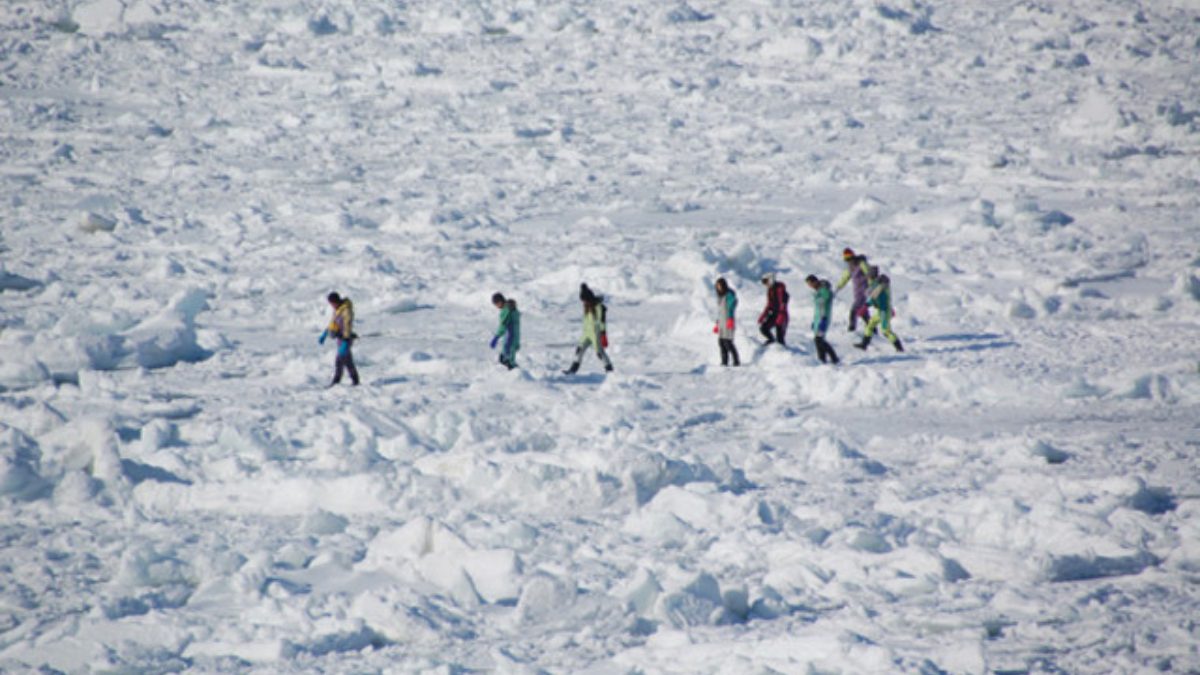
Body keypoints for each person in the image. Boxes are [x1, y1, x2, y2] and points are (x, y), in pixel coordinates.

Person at [564, 283, 614, 374]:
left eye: (585, 300)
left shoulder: (599, 307)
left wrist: (603, 334)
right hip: (586, 333)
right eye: (583, 301)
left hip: (596, 333)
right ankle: (572, 370)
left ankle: (609, 370)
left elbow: (602, 322)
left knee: (600, 353)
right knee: (579, 350)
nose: (584, 303)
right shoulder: (586, 307)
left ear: (589, 299)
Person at [855, 266, 904, 352]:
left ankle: (899, 348)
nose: (868, 278)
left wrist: (865, 306)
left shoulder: (879, 285)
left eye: (869, 276)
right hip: (879, 310)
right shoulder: (877, 283)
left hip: (884, 311)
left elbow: (874, 296)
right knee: (870, 325)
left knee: (886, 331)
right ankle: (864, 345)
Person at [319, 292, 359, 386]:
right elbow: (333, 323)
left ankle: (345, 381)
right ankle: (349, 381)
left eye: (332, 303)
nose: (331, 305)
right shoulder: (338, 310)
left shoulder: (346, 311)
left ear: (335, 301)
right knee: (343, 361)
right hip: (340, 339)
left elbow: (347, 325)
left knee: (343, 360)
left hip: (345, 339)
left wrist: (346, 339)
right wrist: (326, 332)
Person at [805, 275, 840, 365]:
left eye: (810, 283)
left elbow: (825, 301)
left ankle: (832, 358)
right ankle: (823, 358)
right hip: (818, 319)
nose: (810, 286)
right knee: (818, 339)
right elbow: (818, 307)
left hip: (823, 318)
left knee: (819, 339)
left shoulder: (824, 291)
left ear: (815, 281)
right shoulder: (818, 292)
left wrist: (822, 319)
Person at [835, 248, 872, 331]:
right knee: (863, 312)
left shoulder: (861, 264)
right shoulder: (850, 267)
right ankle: (872, 330)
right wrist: (838, 287)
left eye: (850, 259)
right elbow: (844, 278)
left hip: (864, 291)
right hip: (857, 292)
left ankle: (852, 329)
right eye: (847, 260)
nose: (849, 261)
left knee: (854, 310)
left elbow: (869, 274)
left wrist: (871, 286)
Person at [713, 277, 740, 367]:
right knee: (721, 342)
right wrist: (717, 323)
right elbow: (720, 311)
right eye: (717, 286)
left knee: (728, 342)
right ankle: (724, 362)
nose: (718, 288)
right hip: (722, 322)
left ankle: (736, 361)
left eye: (719, 286)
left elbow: (731, 307)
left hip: (728, 321)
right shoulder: (720, 296)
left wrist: (730, 319)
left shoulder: (729, 295)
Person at [489, 292, 521, 369]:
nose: (496, 306)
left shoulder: (506, 310)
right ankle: (518, 375)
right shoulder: (513, 309)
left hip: (509, 338)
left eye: (496, 304)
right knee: (510, 360)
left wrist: (496, 337)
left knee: (505, 360)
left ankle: (516, 377)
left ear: (500, 301)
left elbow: (503, 325)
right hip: (515, 338)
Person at [757, 273, 790, 346]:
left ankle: (782, 351)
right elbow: (769, 305)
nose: (765, 284)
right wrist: (763, 316)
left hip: (782, 315)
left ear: (771, 280)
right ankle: (771, 341)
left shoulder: (781, 290)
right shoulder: (770, 290)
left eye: (766, 282)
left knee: (780, 336)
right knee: (763, 328)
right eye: (764, 282)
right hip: (774, 314)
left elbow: (783, 304)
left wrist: (780, 317)